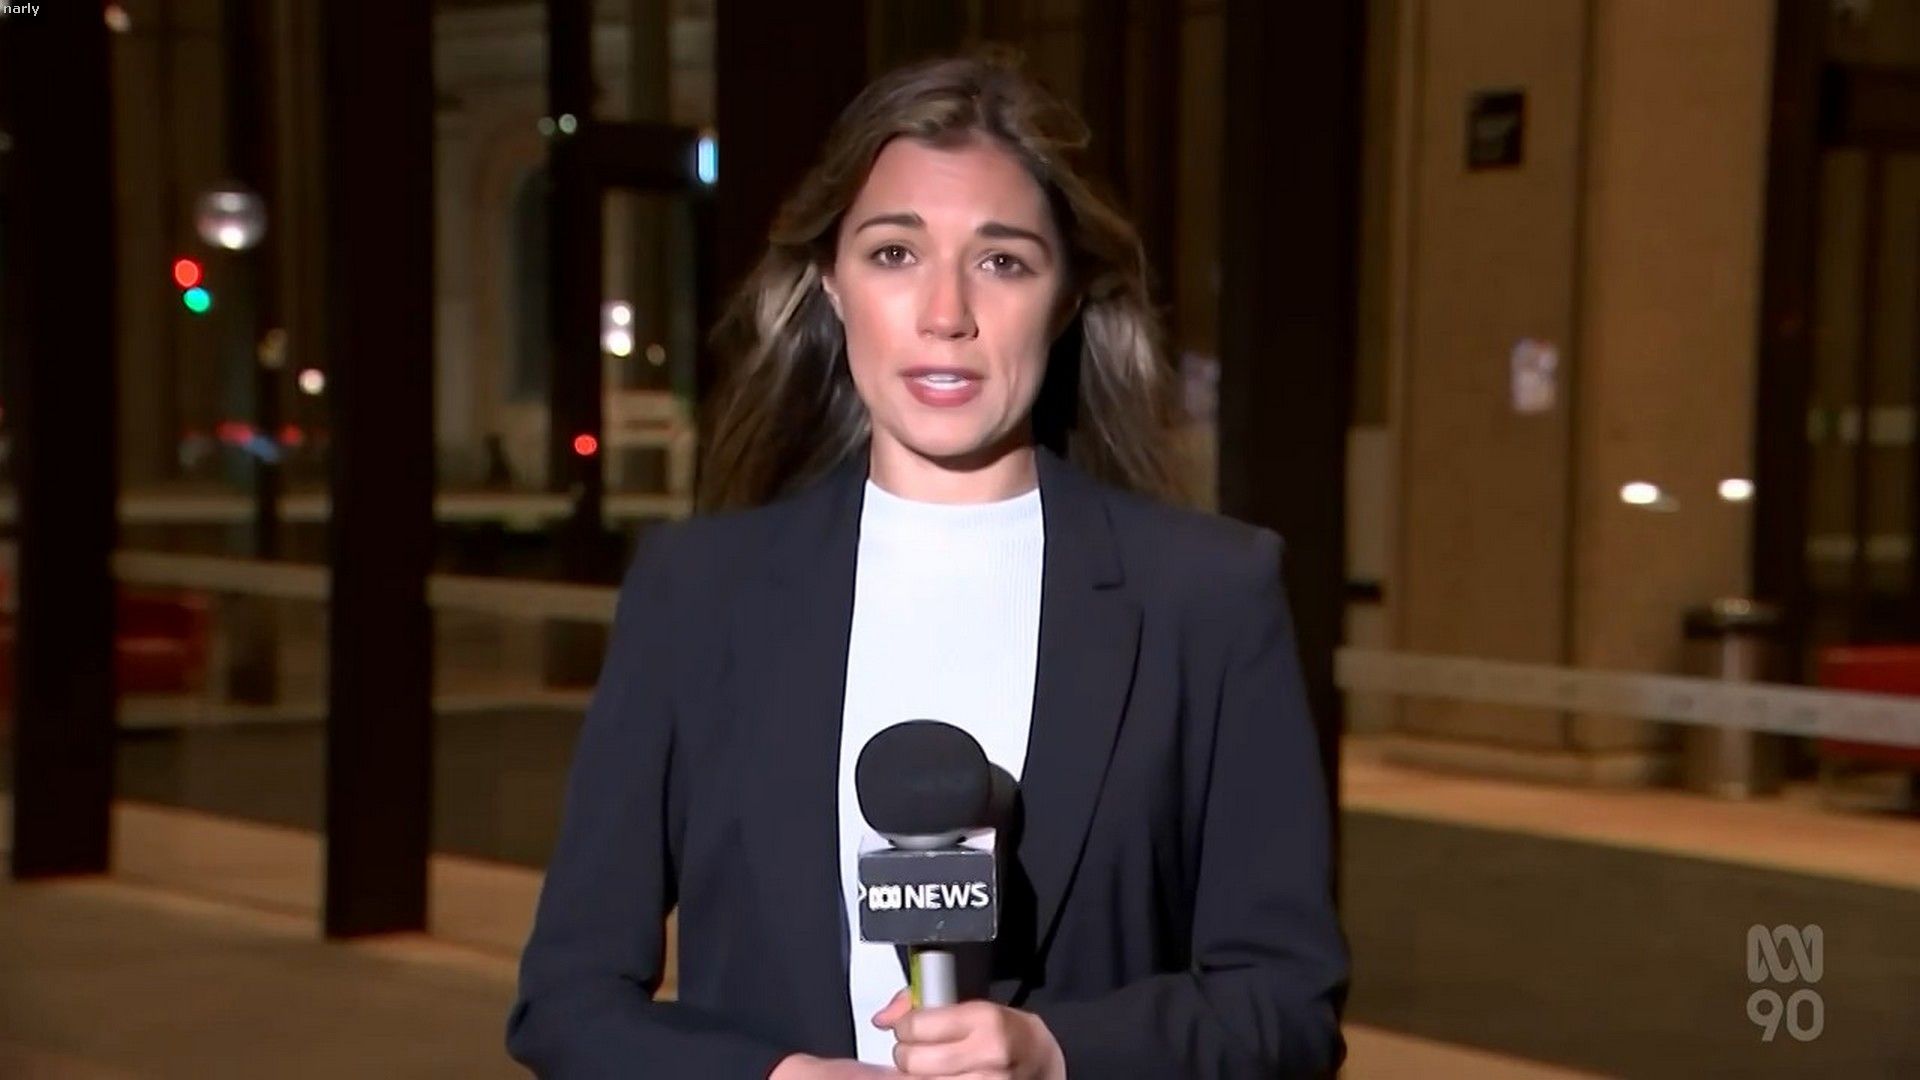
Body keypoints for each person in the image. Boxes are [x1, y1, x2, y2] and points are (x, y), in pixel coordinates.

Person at [506, 51, 1349, 1079]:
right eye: (895, 253)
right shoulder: (699, 593)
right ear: (830, 282)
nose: (946, 312)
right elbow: (568, 1000)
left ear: (1067, 297)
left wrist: (1056, 1053)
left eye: (1003, 262)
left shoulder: (1207, 597)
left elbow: (1287, 1005)